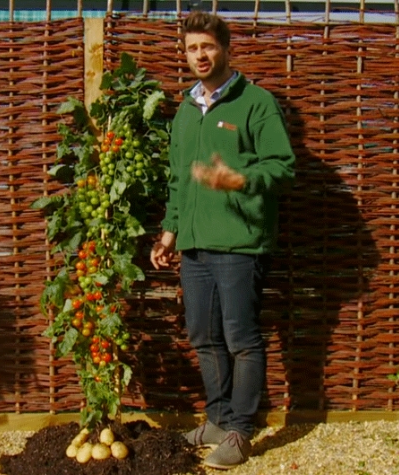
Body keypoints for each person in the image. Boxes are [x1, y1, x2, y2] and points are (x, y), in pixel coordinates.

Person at [149, 10, 295, 470]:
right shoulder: (186, 112)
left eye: (207, 47)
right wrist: (170, 231)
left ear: (226, 49)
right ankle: (216, 417)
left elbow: (283, 167)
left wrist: (239, 179)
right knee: (203, 335)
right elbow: (178, 182)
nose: (200, 55)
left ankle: (240, 430)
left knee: (241, 338)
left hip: (240, 243)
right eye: (192, 48)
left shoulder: (255, 103)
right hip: (194, 245)